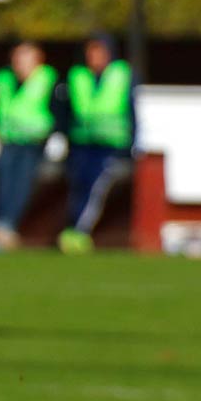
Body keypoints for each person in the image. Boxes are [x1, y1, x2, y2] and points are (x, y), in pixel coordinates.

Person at [60, 33, 136, 254]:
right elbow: (67, 113)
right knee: (79, 184)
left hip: (110, 145)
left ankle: (78, 231)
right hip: (81, 143)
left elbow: (132, 112)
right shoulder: (78, 76)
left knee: (95, 186)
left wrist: (131, 146)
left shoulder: (122, 75)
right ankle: (72, 228)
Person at [0, 41, 58, 253]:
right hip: (9, 140)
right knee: (4, 181)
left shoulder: (47, 79)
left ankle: (4, 227)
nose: (19, 64)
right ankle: (2, 227)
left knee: (22, 183)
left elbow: (55, 111)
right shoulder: (4, 78)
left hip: (34, 142)